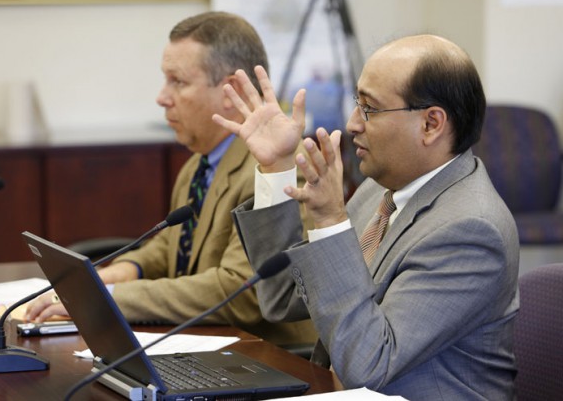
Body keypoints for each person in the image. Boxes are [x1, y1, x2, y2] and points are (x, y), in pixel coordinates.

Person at [213, 35, 519, 400]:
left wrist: (329, 220)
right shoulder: (381, 190)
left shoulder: (470, 229)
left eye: (369, 109)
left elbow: (367, 366)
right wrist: (277, 166)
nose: (353, 122)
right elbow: (283, 296)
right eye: (357, 102)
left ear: (431, 124)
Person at [25, 11, 317, 347]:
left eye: (177, 82)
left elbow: (241, 290)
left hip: (270, 357)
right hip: (207, 344)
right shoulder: (199, 163)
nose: (162, 97)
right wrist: (125, 269)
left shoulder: (277, 168)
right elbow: (172, 244)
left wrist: (114, 296)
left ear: (230, 91)